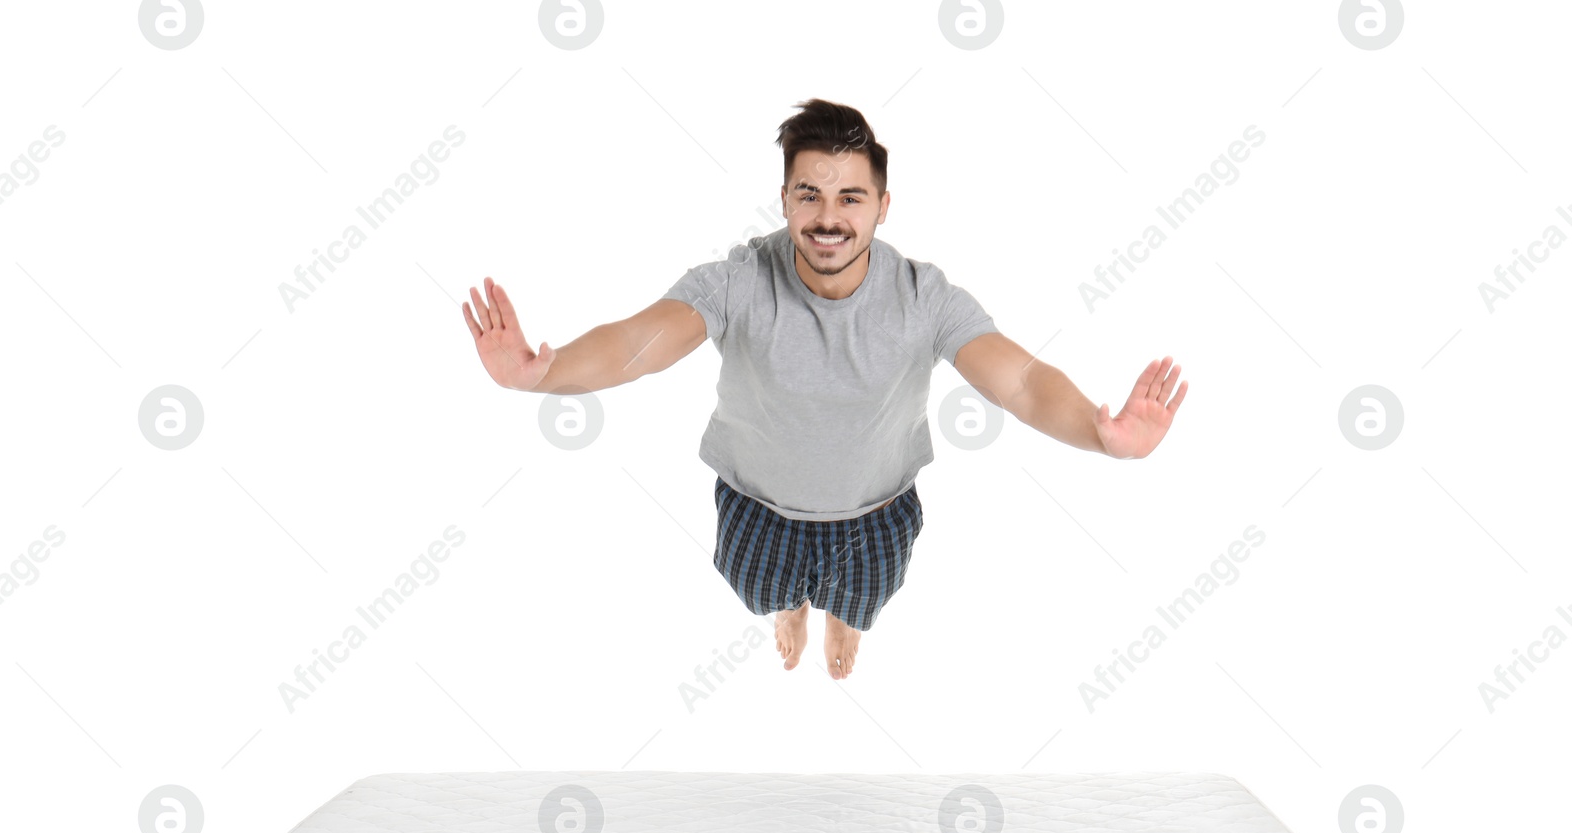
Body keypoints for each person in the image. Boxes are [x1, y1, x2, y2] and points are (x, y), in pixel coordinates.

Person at [463, 98, 1188, 679]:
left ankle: (842, 617)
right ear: (784, 199)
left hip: (877, 511)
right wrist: (544, 375)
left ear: (882, 204)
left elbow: (1023, 382)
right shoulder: (740, 280)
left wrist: (1101, 436)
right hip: (758, 508)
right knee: (761, 592)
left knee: (865, 598)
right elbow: (637, 342)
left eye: (851, 197)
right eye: (810, 194)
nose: (829, 217)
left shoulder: (922, 296)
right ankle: (790, 609)